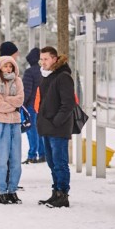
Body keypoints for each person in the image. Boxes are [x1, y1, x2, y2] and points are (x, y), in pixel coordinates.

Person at [37, 46, 75, 208]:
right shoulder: (48, 76)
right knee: (52, 163)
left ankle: (63, 194)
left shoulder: (63, 77)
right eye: (41, 59)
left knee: (60, 162)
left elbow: (68, 104)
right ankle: (56, 191)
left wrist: (57, 121)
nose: (43, 62)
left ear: (54, 59)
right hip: (47, 127)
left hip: (58, 128)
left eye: (46, 59)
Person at [0, 55, 25, 204]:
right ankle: (2, 191)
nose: (8, 69)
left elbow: (20, 100)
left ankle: (13, 190)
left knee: (16, 160)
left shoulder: (18, 81)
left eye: (11, 66)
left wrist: (6, 100)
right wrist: (12, 103)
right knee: (1, 159)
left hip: (15, 123)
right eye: (5, 66)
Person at [21, 48, 46, 163]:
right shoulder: (44, 71)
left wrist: (22, 104)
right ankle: (43, 154)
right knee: (40, 130)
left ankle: (32, 155)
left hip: (31, 105)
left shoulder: (29, 72)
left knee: (31, 130)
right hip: (42, 105)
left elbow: (27, 91)